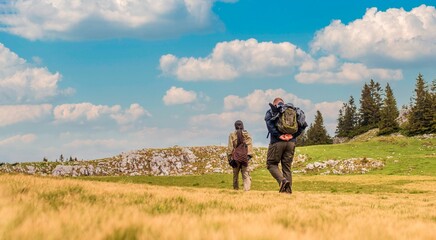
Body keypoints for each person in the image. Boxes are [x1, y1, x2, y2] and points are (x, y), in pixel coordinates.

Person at [265, 97, 306, 193]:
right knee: (287, 167)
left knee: (271, 164)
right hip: (291, 143)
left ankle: (282, 181)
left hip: (277, 142)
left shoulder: (272, 111)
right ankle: (287, 192)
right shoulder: (294, 111)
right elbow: (303, 125)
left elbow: (269, 125)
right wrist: (292, 135)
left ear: (275, 104)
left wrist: (280, 136)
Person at [227, 120, 253, 191]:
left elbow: (230, 148)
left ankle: (236, 189)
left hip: (235, 158)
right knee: (245, 174)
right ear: (243, 126)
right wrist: (249, 156)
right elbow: (250, 146)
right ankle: (246, 190)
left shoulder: (232, 135)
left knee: (235, 175)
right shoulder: (247, 135)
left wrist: (230, 159)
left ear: (235, 126)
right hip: (245, 157)